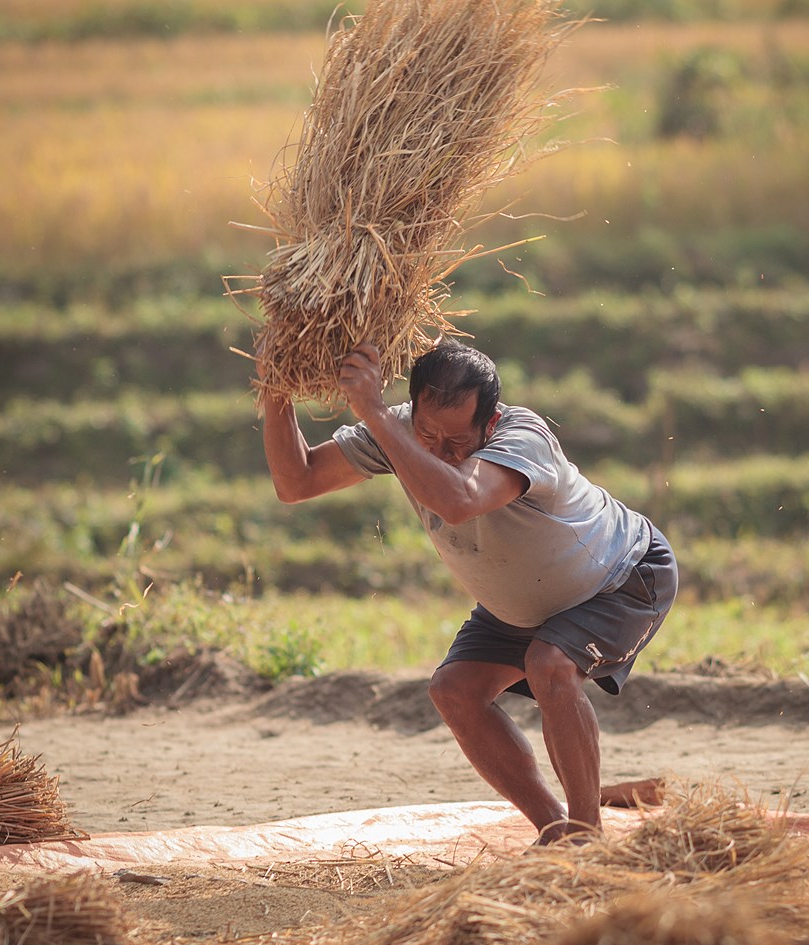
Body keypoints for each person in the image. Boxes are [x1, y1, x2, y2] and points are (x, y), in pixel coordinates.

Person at [260, 338, 678, 844]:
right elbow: (296, 482)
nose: (436, 449)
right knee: (454, 692)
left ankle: (587, 838)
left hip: (622, 577)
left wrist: (372, 410)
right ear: (412, 410)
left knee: (551, 665)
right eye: (425, 432)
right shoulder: (398, 430)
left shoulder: (523, 438)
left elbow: (459, 499)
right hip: (523, 601)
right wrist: (275, 389)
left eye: (457, 442)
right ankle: (556, 828)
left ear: (492, 423)